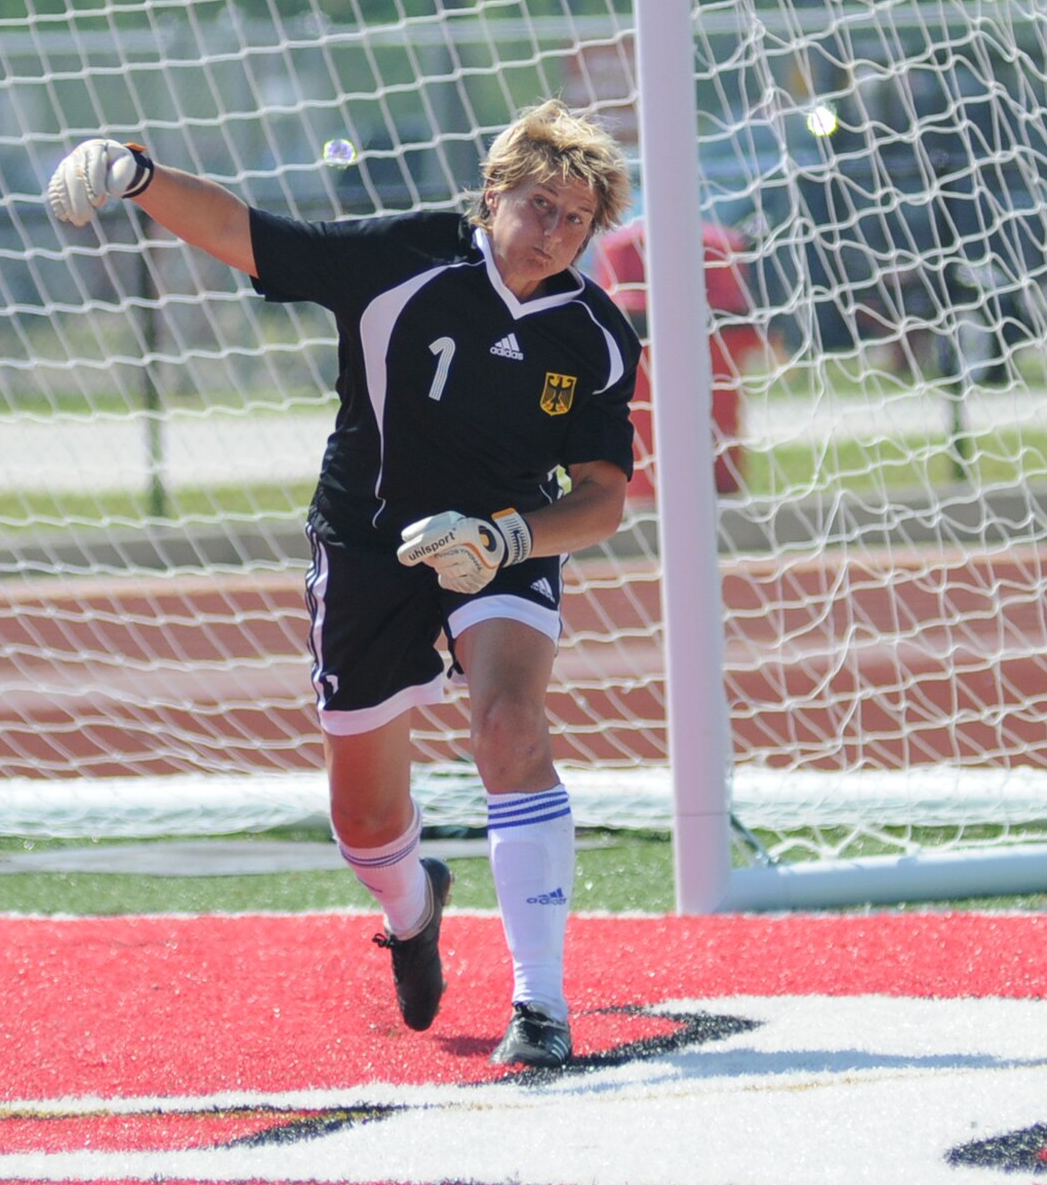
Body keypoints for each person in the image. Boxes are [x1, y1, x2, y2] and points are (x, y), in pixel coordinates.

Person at [46, 101, 639, 1068]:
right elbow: (251, 236)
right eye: (539, 205)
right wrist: (137, 174)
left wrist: (506, 539)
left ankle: (542, 1004)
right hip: (367, 546)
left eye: (577, 218)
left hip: (498, 545)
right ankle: (414, 908)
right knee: (365, 818)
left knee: (511, 727)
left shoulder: (597, 336)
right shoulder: (403, 257)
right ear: (492, 195)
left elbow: (604, 499)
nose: (556, 233)